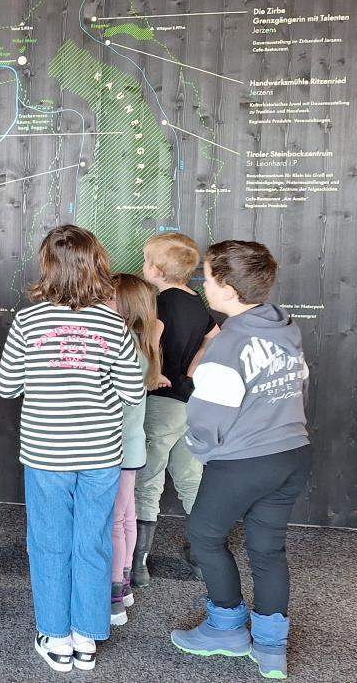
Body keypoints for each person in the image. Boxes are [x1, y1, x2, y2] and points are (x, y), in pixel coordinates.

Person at [0, 225, 145, 673]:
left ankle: (56, 638)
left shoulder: (28, 321)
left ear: (47, 266)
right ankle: (86, 637)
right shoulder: (112, 323)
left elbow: (6, 386)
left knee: (49, 542)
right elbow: (133, 391)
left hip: (46, 452)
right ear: (96, 265)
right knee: (93, 541)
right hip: (101, 452)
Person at [170, 241, 311, 680]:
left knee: (204, 535)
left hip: (244, 461)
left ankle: (227, 627)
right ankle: (271, 647)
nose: (204, 285)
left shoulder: (229, 344)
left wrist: (203, 451)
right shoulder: (283, 327)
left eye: (208, 277)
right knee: (268, 548)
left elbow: (208, 415)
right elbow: (298, 385)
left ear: (229, 289)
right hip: (292, 453)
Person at [132, 232, 220, 587]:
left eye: (145, 260)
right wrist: (192, 369)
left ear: (155, 270)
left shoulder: (159, 305)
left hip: (162, 402)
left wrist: (153, 375)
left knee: (147, 480)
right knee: (191, 478)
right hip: (190, 400)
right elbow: (214, 336)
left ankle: (137, 565)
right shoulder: (198, 302)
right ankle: (202, 557)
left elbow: (151, 343)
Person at [107, 273, 164, 628]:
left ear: (123, 305)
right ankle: (125, 581)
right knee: (126, 517)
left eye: (107, 297)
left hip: (115, 449)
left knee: (115, 521)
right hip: (133, 448)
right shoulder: (144, 343)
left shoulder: (120, 344)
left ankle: (114, 596)